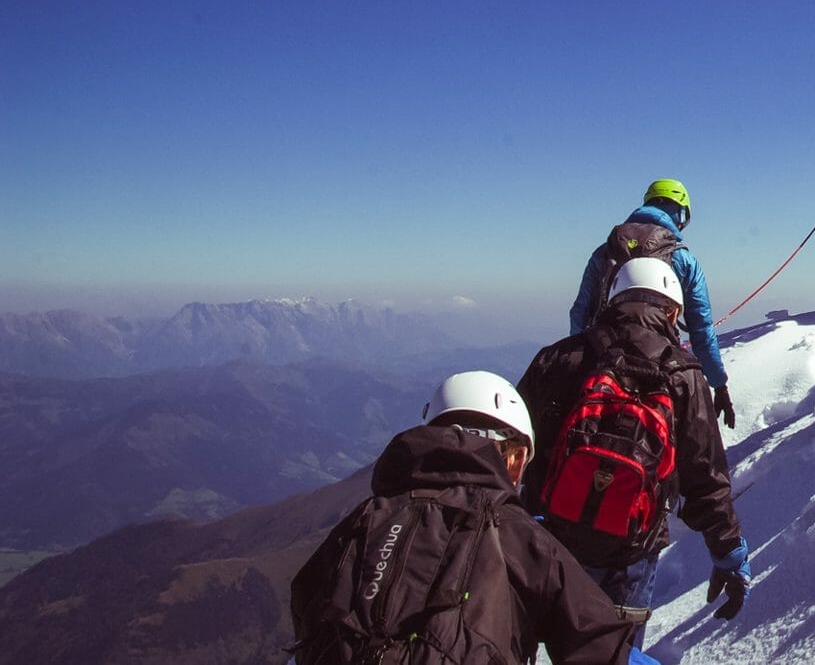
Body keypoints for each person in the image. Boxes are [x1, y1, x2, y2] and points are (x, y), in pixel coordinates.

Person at [288, 371, 660, 665]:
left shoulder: (364, 519)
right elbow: (601, 645)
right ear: (515, 458)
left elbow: (306, 604)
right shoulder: (516, 533)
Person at [519, 256, 751, 657]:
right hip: (630, 552)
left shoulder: (560, 357)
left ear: (613, 300)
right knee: (615, 653)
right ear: (673, 311)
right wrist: (729, 553)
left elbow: (514, 447)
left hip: (550, 540)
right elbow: (705, 478)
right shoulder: (683, 373)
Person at [565, 178, 734, 428]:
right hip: (659, 371)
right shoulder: (683, 259)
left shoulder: (605, 252)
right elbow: (701, 329)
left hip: (602, 363)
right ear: (681, 214)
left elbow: (580, 312)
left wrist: (577, 364)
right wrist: (719, 385)